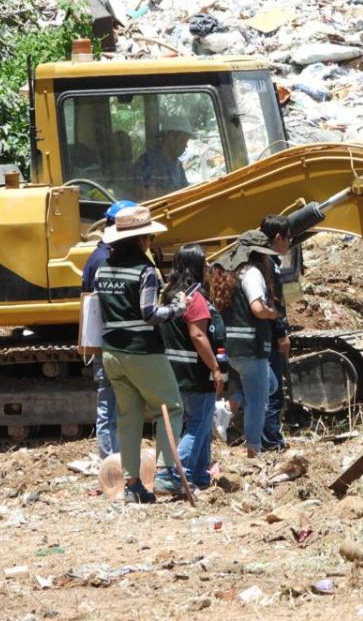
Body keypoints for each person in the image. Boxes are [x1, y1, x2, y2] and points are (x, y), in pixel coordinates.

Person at [95, 204, 187, 503]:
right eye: (148, 237)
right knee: (171, 406)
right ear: (140, 239)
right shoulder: (144, 271)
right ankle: (165, 473)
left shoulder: (103, 268)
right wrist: (177, 309)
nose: (150, 242)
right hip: (142, 350)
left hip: (111, 352)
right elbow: (149, 312)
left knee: (128, 416)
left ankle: (133, 484)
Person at [209, 230, 281, 458]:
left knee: (270, 385)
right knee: (258, 402)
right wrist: (273, 314)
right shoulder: (252, 274)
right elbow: (257, 309)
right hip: (251, 347)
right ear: (259, 254)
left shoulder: (232, 273)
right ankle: (254, 450)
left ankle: (225, 408)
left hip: (233, 347)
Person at [159, 245, 224, 489]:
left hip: (174, 371)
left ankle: (198, 474)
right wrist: (215, 368)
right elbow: (198, 335)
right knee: (197, 423)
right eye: (205, 263)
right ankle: (173, 474)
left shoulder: (169, 294)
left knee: (200, 423)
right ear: (195, 266)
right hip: (195, 372)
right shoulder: (194, 297)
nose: (208, 267)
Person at [81, 199, 136, 459]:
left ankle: (114, 454)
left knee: (111, 401)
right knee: (109, 402)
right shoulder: (106, 260)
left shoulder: (99, 256)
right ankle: (110, 458)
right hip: (109, 339)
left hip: (105, 337)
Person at [258, 215, 293, 452]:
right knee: (272, 391)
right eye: (288, 238)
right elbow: (274, 303)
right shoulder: (268, 265)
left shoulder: (262, 262)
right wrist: (281, 334)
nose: (289, 243)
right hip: (269, 336)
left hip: (263, 335)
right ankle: (271, 440)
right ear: (278, 237)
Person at [135, 122, 190, 196]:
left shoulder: (177, 165)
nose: (186, 146)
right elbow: (145, 193)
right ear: (171, 137)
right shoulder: (147, 162)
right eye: (183, 141)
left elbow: (185, 189)